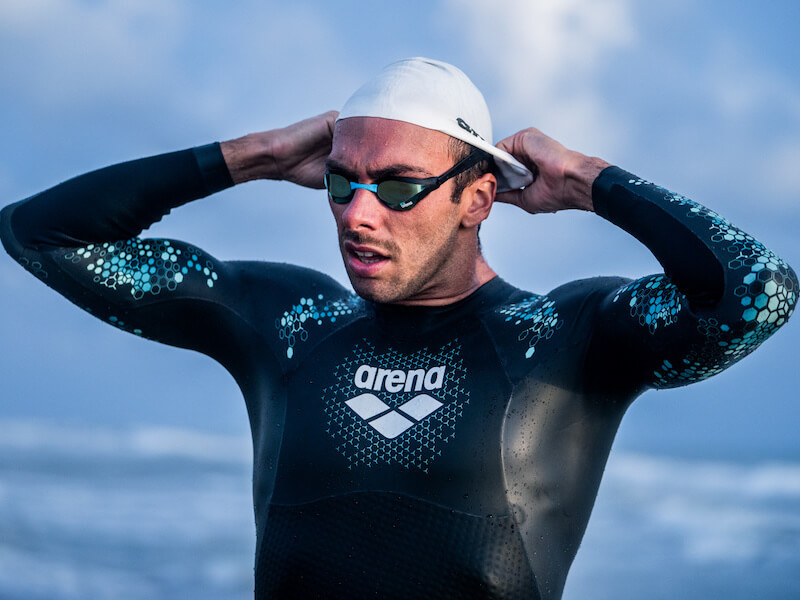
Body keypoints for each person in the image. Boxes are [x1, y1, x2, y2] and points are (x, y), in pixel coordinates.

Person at [1, 57, 796, 600]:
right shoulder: (287, 322)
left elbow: (756, 292)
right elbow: (41, 235)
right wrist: (253, 155)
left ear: (479, 198)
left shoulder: (566, 335)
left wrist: (591, 180)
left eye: (399, 187)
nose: (359, 214)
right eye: (343, 183)